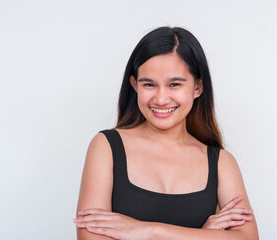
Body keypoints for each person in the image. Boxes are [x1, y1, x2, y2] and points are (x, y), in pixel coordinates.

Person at [74, 26, 259, 240]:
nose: (161, 99)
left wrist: (150, 231)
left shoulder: (221, 162)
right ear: (134, 85)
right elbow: (90, 236)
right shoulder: (106, 146)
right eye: (149, 84)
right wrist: (201, 236)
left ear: (198, 87)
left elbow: (248, 238)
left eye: (174, 84)